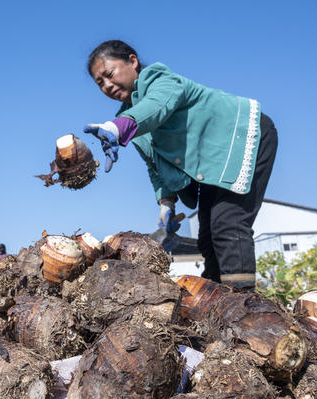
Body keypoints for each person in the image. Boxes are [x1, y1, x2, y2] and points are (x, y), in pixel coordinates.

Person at [83, 40, 277, 290]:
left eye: (109, 74)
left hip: (242, 137)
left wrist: (120, 127)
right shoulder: (128, 116)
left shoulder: (159, 79)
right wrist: (166, 202)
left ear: (132, 61)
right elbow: (154, 164)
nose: (107, 85)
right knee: (207, 239)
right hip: (211, 165)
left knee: (228, 224)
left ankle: (243, 305)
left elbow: (157, 107)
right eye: (100, 83)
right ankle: (214, 301)